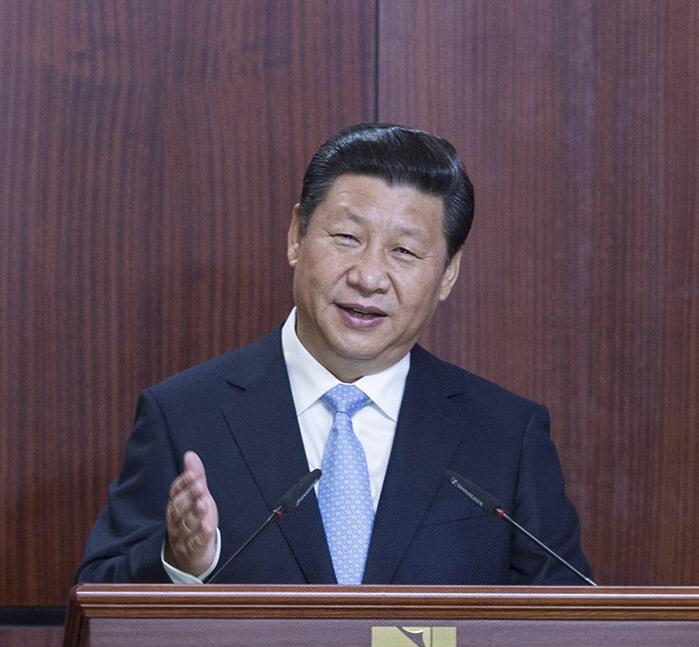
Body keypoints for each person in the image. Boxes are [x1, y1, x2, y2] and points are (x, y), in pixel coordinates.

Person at [76, 122, 592, 586]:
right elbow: (100, 602)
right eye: (347, 237)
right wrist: (178, 563)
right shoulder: (185, 414)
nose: (368, 277)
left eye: (404, 251)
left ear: (448, 274)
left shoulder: (504, 436)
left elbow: (570, 630)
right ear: (297, 236)